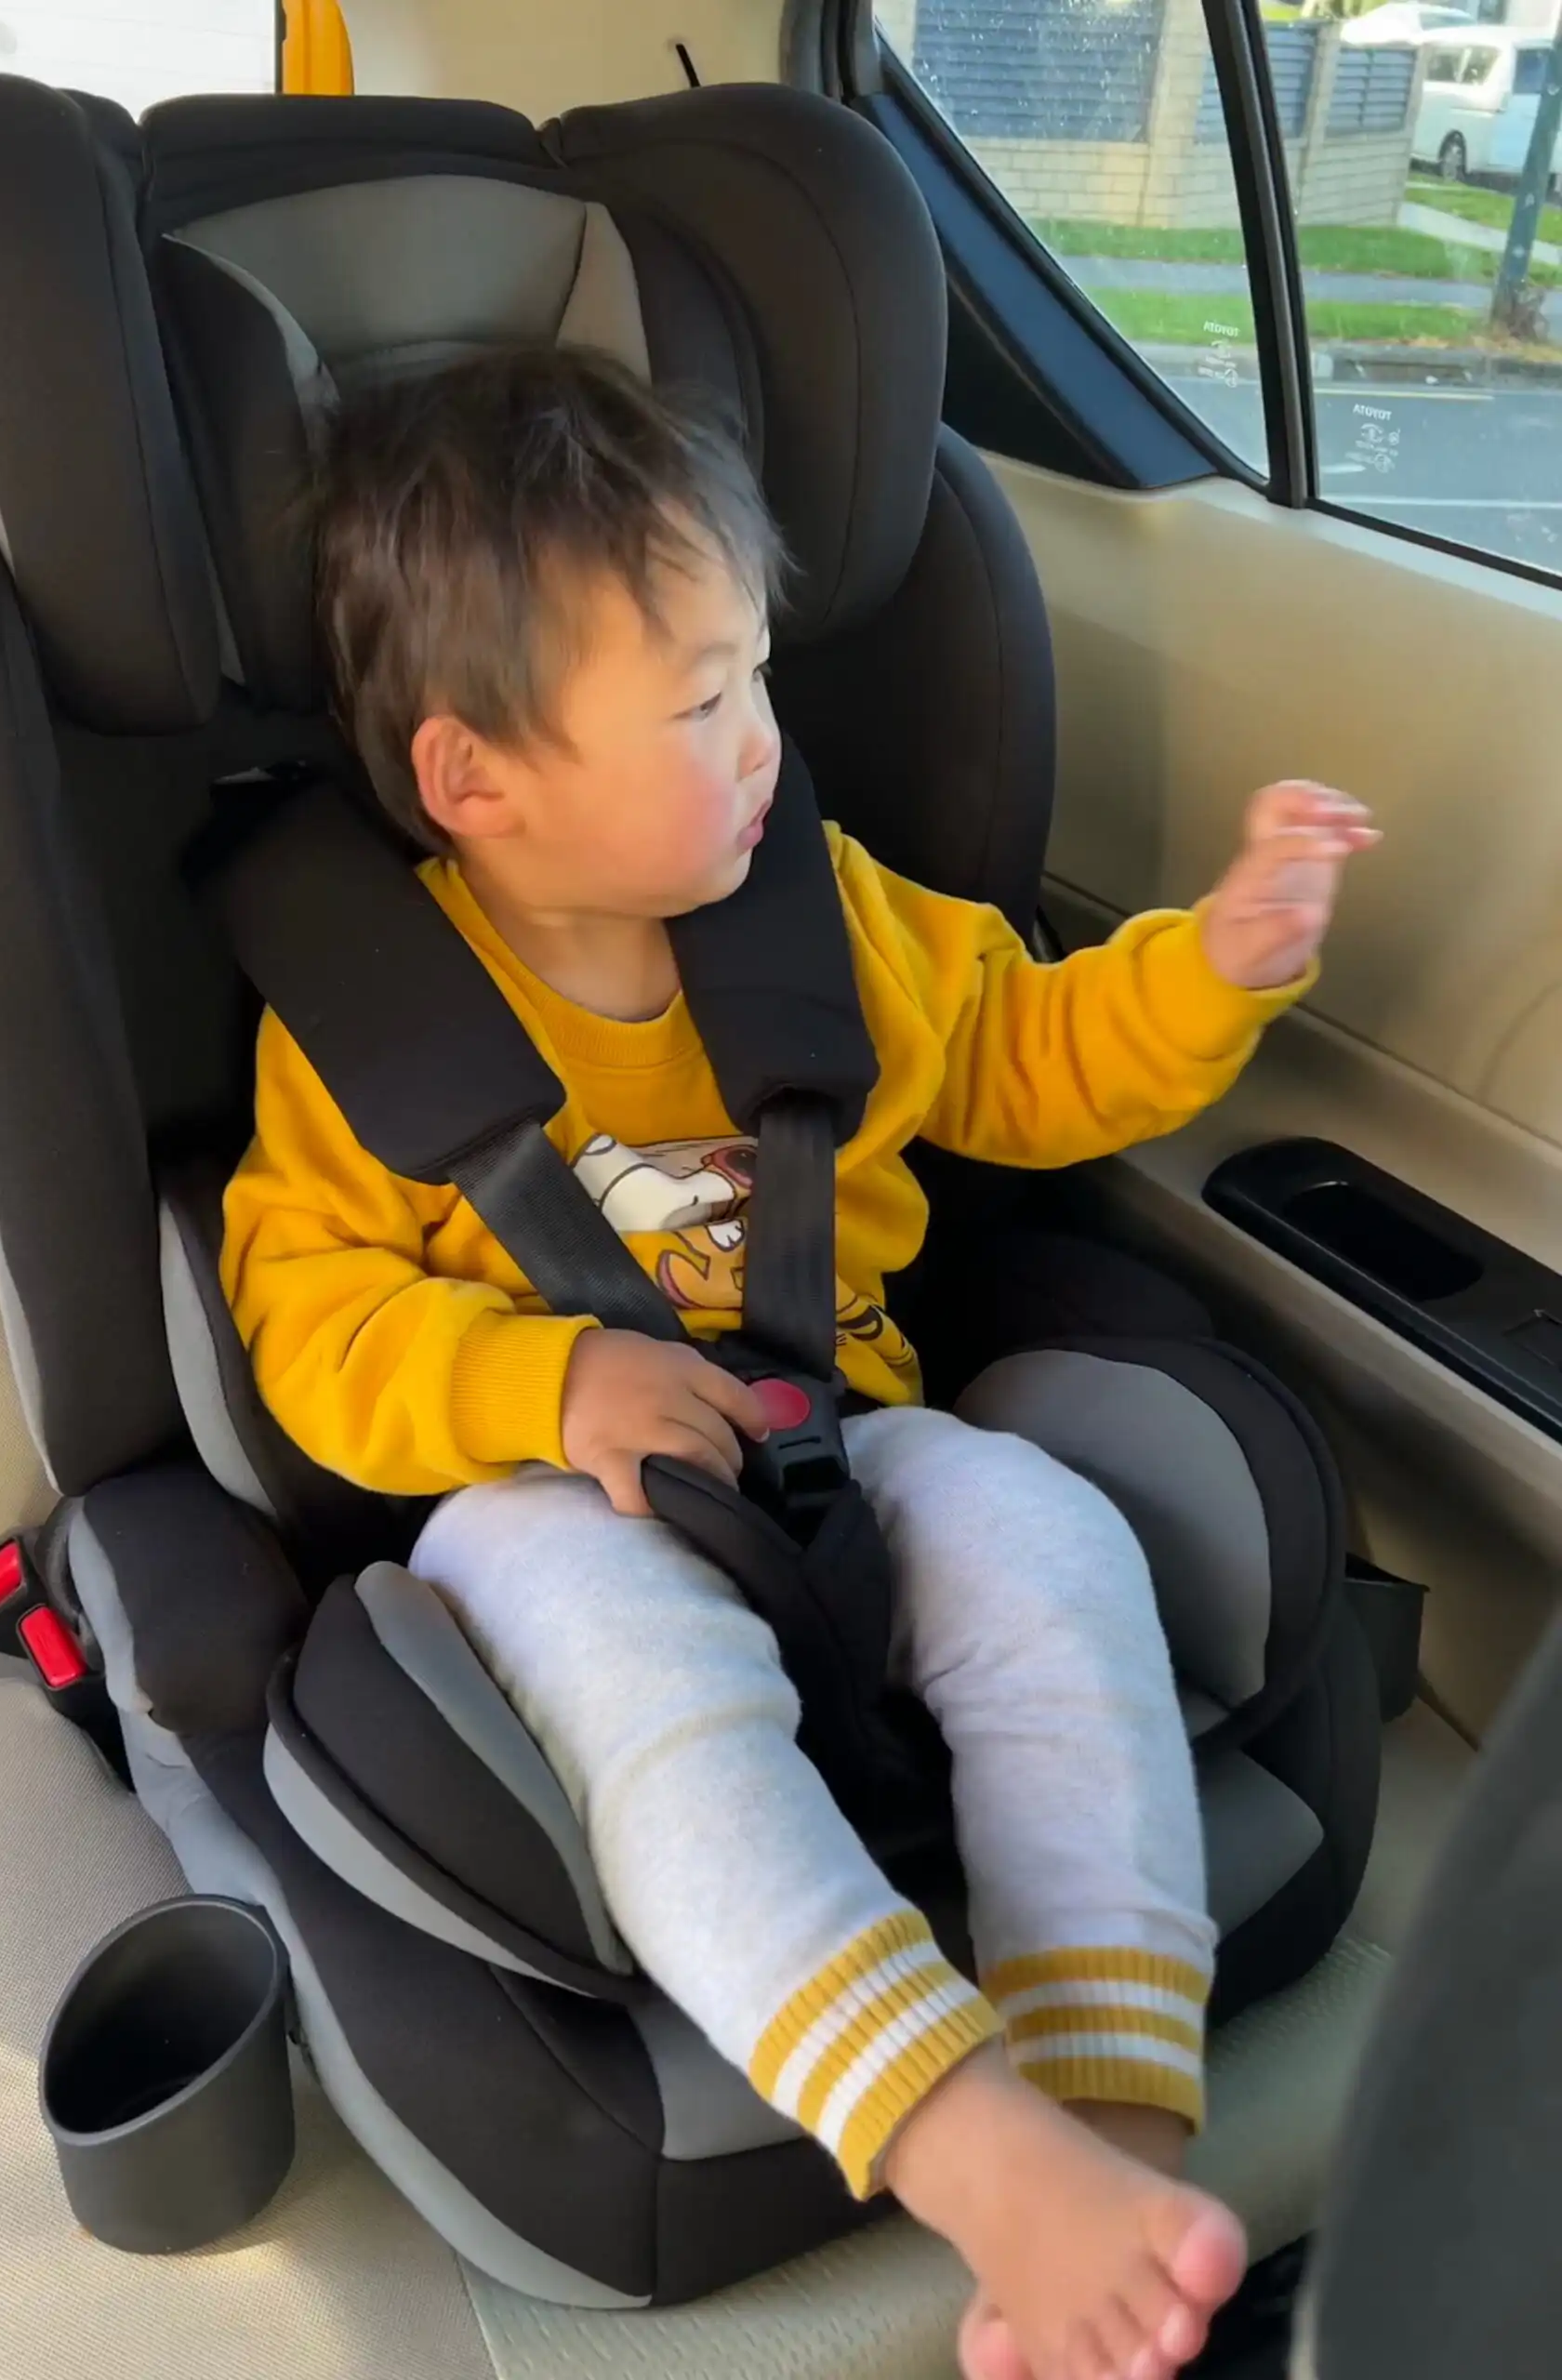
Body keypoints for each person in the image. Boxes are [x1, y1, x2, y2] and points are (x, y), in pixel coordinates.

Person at [221, 346, 1376, 2380]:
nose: (763, 740)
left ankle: (1106, 2125)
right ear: (476, 778)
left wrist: (1210, 967)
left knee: (1051, 1542)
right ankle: (963, 2139)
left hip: (836, 1434)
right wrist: (540, 1385)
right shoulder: (374, 1019)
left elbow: (1026, 1052)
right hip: (545, 1504)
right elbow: (304, 1312)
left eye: (756, 674)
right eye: (697, 706)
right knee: (653, 1699)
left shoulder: (816, 910)